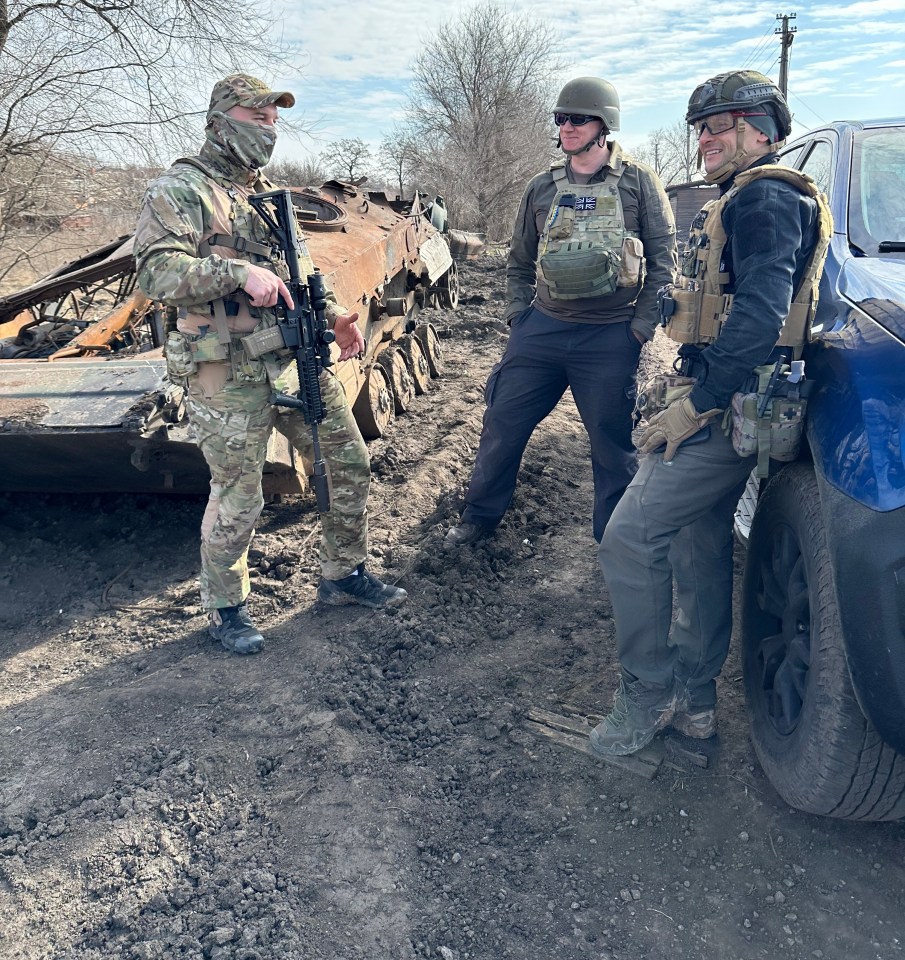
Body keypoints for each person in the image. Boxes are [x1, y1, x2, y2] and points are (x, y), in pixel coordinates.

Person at [591, 70, 831, 756]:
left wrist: (693, 405)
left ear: (760, 131)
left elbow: (757, 318)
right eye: (700, 128)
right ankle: (694, 706)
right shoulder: (746, 198)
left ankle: (646, 695)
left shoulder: (765, 200)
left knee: (630, 538)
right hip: (730, 397)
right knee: (697, 549)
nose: (702, 141)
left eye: (716, 126)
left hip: (726, 407)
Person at [134, 74, 407, 657]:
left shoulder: (270, 198)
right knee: (239, 491)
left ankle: (343, 572)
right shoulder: (181, 190)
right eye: (257, 118)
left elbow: (300, 277)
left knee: (347, 460)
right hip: (225, 370)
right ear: (220, 121)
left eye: (273, 121)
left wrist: (334, 315)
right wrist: (238, 274)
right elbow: (156, 274)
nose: (269, 130)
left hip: (290, 355)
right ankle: (226, 608)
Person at [444, 77, 677, 547]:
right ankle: (477, 520)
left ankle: (612, 540)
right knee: (502, 426)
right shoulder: (541, 187)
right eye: (560, 118)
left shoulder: (638, 183)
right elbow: (518, 262)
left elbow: (664, 263)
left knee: (611, 446)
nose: (566, 126)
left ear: (604, 125)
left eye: (578, 118)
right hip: (542, 331)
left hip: (610, 337)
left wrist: (638, 330)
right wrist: (519, 319)